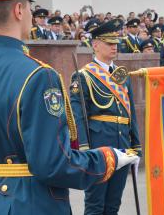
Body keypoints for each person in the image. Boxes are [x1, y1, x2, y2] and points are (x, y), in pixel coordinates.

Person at [0, 0, 138, 214]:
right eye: (30, 6)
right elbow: (52, 163)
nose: (31, 12)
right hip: (31, 203)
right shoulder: (39, 75)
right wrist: (107, 158)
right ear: (19, 10)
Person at [70, 19, 141, 214]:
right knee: (95, 204)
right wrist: (84, 149)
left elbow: (130, 113)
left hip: (122, 145)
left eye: (116, 43)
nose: (114, 47)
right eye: (109, 43)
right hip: (98, 147)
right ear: (95, 45)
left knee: (113, 204)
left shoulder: (121, 76)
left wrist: (136, 146)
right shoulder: (83, 76)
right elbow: (78, 116)